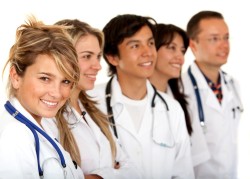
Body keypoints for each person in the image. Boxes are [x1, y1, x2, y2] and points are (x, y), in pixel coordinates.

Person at [88, 14, 194, 179]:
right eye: (135, 45)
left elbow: (183, 174)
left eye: (151, 43)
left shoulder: (171, 109)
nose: (148, 52)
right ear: (112, 57)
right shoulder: (89, 104)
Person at [42, 19, 141, 179]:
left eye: (98, 56)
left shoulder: (95, 109)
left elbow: (132, 171)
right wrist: (113, 172)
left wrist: (96, 176)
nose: (98, 66)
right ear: (62, 57)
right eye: (87, 56)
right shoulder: (47, 115)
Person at [0, 17, 84, 178]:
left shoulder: (42, 124)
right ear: (16, 77)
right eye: (45, 78)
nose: (57, 93)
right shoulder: (14, 137)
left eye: (65, 81)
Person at [182, 10, 243, 178]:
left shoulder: (233, 85)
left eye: (226, 37)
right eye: (214, 39)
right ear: (193, 44)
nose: (224, 45)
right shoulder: (180, 91)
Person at [149, 23, 192, 135]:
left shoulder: (181, 102)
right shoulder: (136, 98)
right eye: (172, 48)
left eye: (182, 51)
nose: (180, 58)